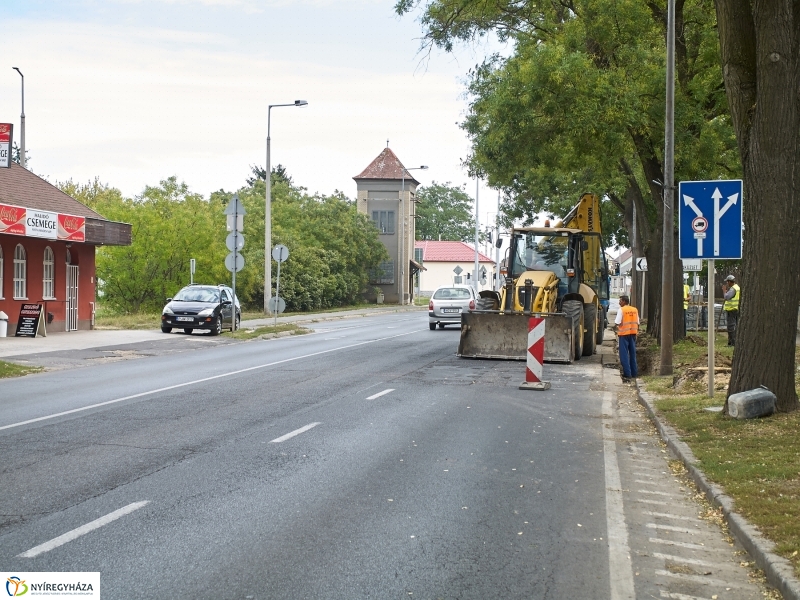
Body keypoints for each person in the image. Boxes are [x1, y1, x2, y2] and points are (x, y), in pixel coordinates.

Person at [615, 295, 640, 383]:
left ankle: (627, 374)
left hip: (624, 335)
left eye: (620, 301)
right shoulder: (635, 310)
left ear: (624, 301)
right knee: (632, 354)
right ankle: (634, 373)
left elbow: (617, 322)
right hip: (633, 334)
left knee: (624, 355)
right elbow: (637, 322)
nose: (619, 302)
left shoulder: (621, 310)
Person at [722, 274, 740, 346]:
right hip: (735, 309)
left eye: (727, 282)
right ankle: (733, 342)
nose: (727, 283)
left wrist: (724, 291)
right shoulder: (737, 287)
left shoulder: (733, 289)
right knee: (735, 325)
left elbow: (726, 297)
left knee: (731, 326)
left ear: (730, 281)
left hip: (731, 309)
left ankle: (732, 343)